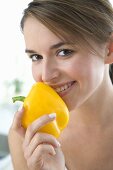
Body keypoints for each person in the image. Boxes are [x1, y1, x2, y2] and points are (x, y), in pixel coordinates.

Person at [8, 0, 113, 169]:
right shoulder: (26, 136)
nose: (46, 75)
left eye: (64, 52)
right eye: (36, 57)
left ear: (109, 49)